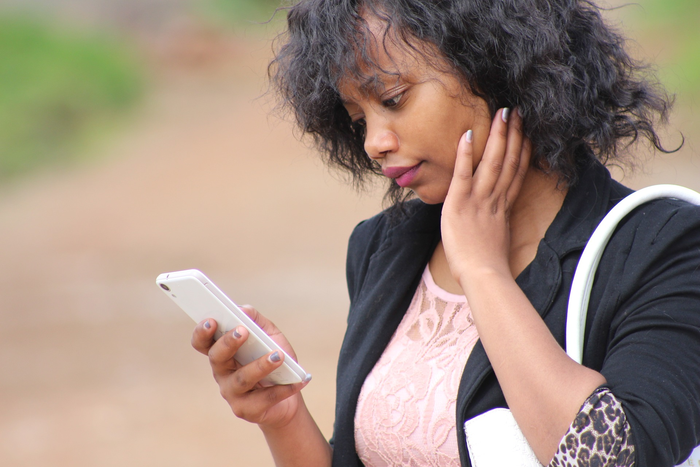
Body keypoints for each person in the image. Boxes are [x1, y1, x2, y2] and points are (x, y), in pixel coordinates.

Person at [190, 0, 700, 465]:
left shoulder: (663, 247)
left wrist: (481, 270)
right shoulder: (383, 248)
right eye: (356, 118)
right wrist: (283, 417)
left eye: (392, 98)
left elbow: (615, 456)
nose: (373, 142)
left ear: (498, 61)